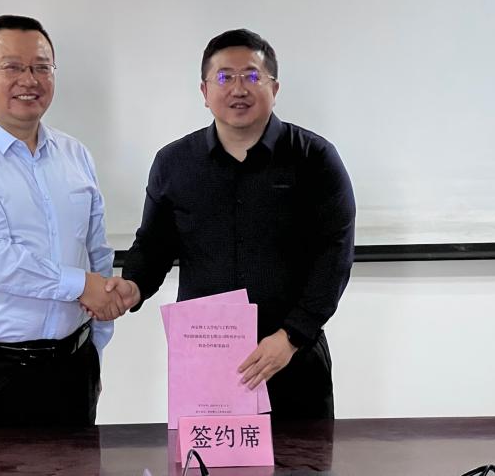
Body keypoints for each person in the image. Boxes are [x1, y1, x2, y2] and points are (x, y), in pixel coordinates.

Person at [110, 28, 356, 421]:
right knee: (209, 456)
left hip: (292, 356)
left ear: (274, 87)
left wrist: (291, 336)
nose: (238, 88)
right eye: (224, 77)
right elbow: (154, 245)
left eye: (252, 76)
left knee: (303, 457)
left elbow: (334, 256)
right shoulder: (174, 163)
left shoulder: (315, 159)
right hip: (207, 361)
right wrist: (132, 286)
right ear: (204, 91)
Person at [0, 15, 124, 429]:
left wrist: (95, 354)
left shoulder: (75, 155)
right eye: (12, 67)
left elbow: (97, 255)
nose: (29, 80)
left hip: (71, 372)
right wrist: (81, 285)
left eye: (41, 67)